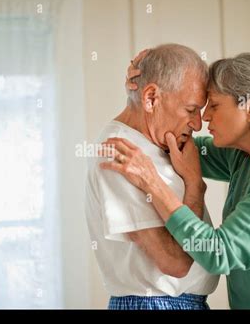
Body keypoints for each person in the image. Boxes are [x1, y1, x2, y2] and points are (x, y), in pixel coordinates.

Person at [100, 51, 250, 309]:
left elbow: (219, 252)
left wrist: (153, 184)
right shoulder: (242, 156)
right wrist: (146, 87)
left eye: (215, 105)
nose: (204, 118)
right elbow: (173, 142)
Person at [85, 44, 219, 310]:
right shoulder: (121, 151)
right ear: (151, 99)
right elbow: (176, 262)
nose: (197, 124)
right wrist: (194, 185)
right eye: (191, 109)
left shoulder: (161, 146)